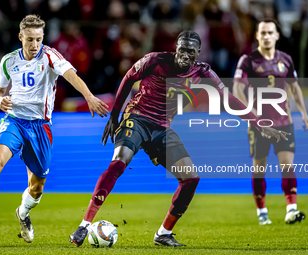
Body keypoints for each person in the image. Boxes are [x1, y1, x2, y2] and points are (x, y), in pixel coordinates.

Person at [69, 30, 288, 247]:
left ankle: (164, 233)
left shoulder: (203, 72)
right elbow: (128, 78)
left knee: (191, 179)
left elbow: (228, 99)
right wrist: (115, 116)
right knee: (118, 162)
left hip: (163, 128)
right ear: (176, 48)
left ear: (198, 53)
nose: (184, 55)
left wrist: (259, 123)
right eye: (181, 49)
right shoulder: (154, 60)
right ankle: (84, 225)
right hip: (137, 118)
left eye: (190, 52)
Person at [0, 15, 109, 243]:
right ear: (21, 37)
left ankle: (23, 213)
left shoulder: (50, 56)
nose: (34, 44)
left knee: (36, 189)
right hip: (15, 121)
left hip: (41, 127)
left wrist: (88, 96)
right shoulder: (8, 61)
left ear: (43, 37)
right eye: (29, 39)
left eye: (38, 39)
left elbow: (70, 75)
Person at [233, 19, 308, 225]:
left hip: (284, 122)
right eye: (263, 33)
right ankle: (262, 212)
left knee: (287, 165)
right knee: (260, 169)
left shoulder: (286, 59)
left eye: (270, 32)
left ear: (277, 35)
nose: (267, 36)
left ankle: (291, 210)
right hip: (259, 125)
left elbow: (294, 88)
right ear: (257, 36)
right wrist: (249, 112)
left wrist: (303, 112)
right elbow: (237, 89)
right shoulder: (247, 61)